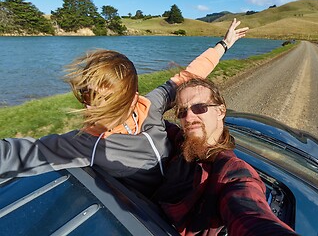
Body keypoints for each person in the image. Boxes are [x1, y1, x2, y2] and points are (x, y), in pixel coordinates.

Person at [0, 19, 249, 197]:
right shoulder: (90, 142)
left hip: (182, 183)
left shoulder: (150, 105)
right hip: (154, 214)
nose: (92, 110)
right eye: (89, 99)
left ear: (133, 97)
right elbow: (24, 152)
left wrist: (223, 45)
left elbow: (188, 75)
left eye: (110, 103)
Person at [153, 78, 299, 235]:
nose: (188, 118)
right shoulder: (183, 141)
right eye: (182, 111)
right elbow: (147, 118)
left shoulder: (231, 171)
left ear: (221, 111)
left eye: (199, 108)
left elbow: (250, 213)